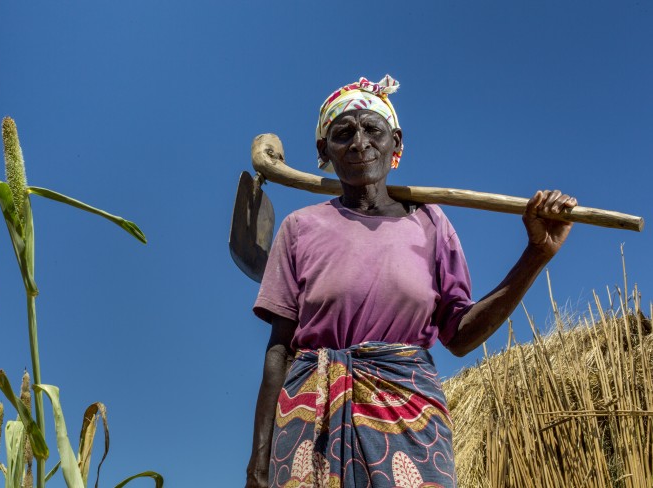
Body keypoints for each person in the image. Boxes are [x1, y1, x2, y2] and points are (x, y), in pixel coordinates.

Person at [245, 75, 576, 488]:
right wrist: (258, 462)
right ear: (324, 150)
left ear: (396, 144)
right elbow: (279, 349)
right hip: (309, 420)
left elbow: (459, 336)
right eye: (343, 133)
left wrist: (537, 254)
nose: (359, 142)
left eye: (373, 130)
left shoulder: (430, 223)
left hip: (409, 422)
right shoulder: (300, 228)